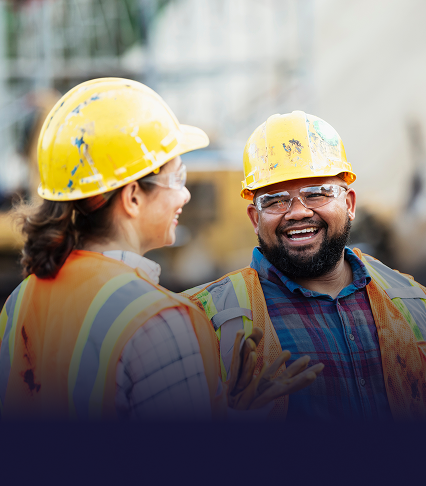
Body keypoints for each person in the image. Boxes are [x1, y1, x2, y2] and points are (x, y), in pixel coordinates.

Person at [0, 81, 323, 420]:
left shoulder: (21, 301)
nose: (184, 195)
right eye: (176, 179)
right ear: (133, 197)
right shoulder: (160, 320)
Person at [184, 110, 426, 421]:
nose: (297, 212)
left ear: (350, 204)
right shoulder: (201, 320)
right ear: (255, 218)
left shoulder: (413, 301)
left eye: (317, 194)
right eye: (275, 199)